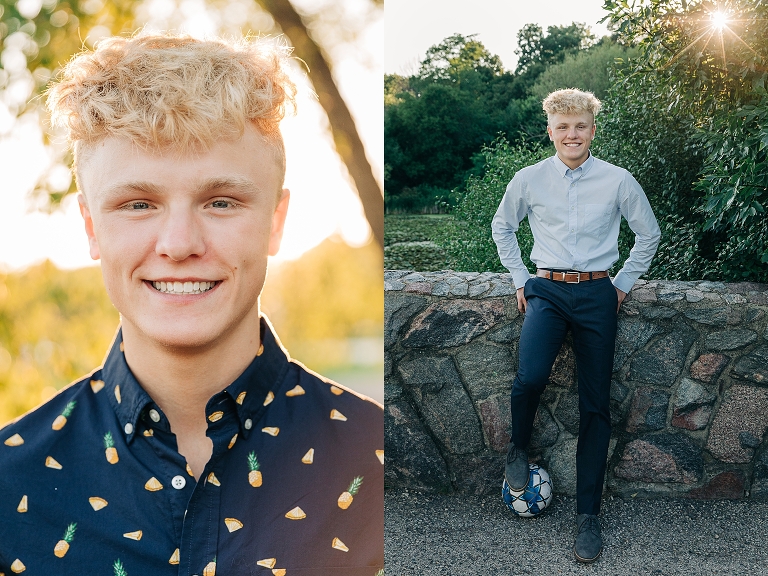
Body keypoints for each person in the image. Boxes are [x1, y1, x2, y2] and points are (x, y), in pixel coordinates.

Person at [0, 33, 383, 575]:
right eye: (138, 204)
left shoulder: (381, 462)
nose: (179, 244)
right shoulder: (8, 484)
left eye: (220, 201)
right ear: (90, 228)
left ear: (275, 220)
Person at [491, 88, 660, 563]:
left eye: (580, 126)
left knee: (596, 405)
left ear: (592, 129)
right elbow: (502, 226)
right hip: (546, 290)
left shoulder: (618, 180)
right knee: (530, 378)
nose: (572, 134)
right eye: (563, 126)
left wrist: (622, 283)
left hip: (596, 295)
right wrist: (520, 277)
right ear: (550, 130)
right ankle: (517, 449)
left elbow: (648, 233)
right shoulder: (528, 179)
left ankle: (588, 517)